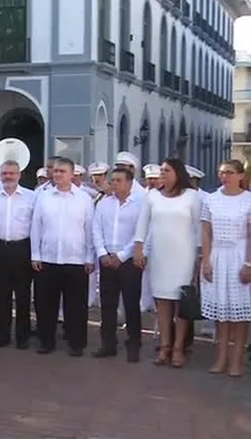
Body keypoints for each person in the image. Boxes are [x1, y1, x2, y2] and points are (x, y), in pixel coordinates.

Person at [133, 158, 201, 368]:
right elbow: (142, 223)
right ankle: (164, 346)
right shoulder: (153, 196)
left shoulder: (192, 196)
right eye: (161, 170)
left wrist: (200, 257)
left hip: (184, 255)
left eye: (167, 170)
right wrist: (139, 248)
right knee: (162, 302)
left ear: (177, 173)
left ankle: (179, 347)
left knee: (180, 303)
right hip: (161, 256)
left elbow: (198, 228)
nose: (162, 173)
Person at [30, 157, 95, 357]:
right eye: (55, 171)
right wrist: (35, 254)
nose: (57, 174)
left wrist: (90, 257)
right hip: (48, 258)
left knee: (75, 305)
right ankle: (46, 341)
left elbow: (90, 229)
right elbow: (36, 227)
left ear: (72, 174)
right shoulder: (44, 196)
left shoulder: (84, 198)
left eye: (62, 171)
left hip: (75, 259)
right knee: (45, 303)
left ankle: (76, 343)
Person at [200, 159, 251, 376]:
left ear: (241, 176)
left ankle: (236, 361)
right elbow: (206, 232)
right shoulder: (211, 199)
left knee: (239, 314)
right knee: (221, 313)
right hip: (218, 256)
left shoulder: (248, 200)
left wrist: (249, 263)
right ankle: (221, 358)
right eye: (222, 173)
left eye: (229, 173)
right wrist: (206, 260)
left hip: (240, 255)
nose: (225, 177)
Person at [0, 159, 35, 349]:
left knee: (23, 295)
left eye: (12, 173)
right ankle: (1, 334)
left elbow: (36, 228)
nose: (8, 177)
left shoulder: (31, 197)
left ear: (19, 175)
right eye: (4, 174)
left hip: (22, 249)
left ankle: (23, 336)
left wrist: (35, 254)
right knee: (0, 294)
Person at [92, 167, 144, 362]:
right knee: (107, 304)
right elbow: (96, 229)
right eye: (112, 180)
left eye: (119, 180)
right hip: (106, 259)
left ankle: (133, 343)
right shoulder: (103, 204)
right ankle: (108, 343)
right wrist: (102, 253)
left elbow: (140, 233)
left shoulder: (139, 205)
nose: (114, 183)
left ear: (130, 183)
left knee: (131, 303)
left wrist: (121, 256)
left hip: (128, 260)